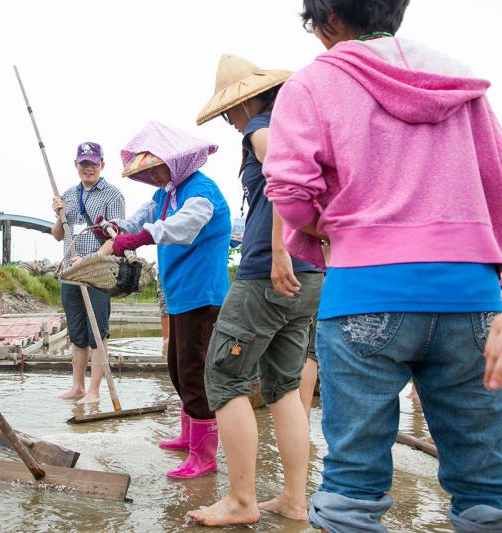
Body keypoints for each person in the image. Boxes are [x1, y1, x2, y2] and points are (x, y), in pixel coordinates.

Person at [263, 1, 502, 531]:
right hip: (473, 297)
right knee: (487, 485)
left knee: (353, 483)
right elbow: (498, 187)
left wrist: (328, 229)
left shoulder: (314, 83)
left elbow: (288, 191)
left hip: (365, 293)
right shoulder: (461, 82)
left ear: (324, 18)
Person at [187, 54, 323, 526]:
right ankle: (293, 498)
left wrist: (279, 248)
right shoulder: (298, 126)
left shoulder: (260, 127)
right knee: (284, 387)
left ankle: (242, 501)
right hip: (309, 276)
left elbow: (284, 166)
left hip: (269, 274)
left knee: (224, 380)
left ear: (248, 101)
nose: (228, 118)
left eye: (230, 109)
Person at [100, 121, 230, 479]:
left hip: (202, 295)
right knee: (176, 367)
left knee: (193, 371)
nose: (155, 176)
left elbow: (182, 227)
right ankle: (189, 436)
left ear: (176, 162)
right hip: (179, 295)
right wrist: (116, 229)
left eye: (158, 168)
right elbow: (142, 217)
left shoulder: (201, 191)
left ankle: (205, 455)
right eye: (149, 172)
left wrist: (139, 239)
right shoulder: (166, 195)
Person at [51, 142, 125, 404]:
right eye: (84, 164)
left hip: (97, 272)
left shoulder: (113, 195)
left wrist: (91, 260)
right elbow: (57, 235)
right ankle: (78, 387)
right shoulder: (68, 195)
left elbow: (117, 237)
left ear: (102, 165)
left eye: (93, 163)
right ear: (76, 165)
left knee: (98, 333)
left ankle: (94, 391)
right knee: (77, 332)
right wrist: (60, 214)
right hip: (71, 272)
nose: (88, 168)